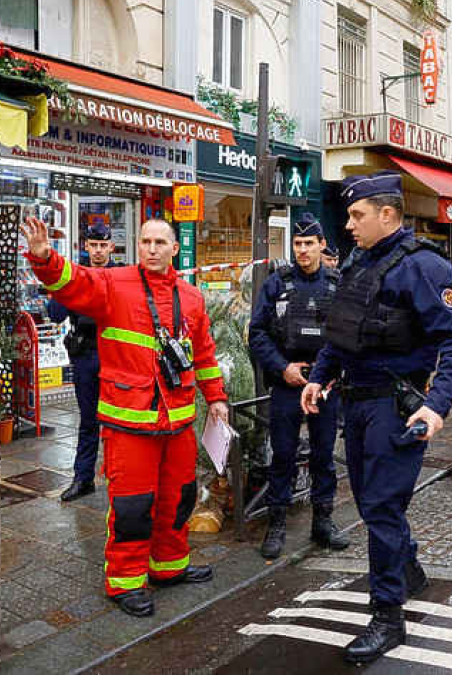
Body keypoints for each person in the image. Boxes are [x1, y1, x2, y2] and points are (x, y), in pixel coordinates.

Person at [300, 171, 452, 664]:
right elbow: (342, 332)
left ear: (387, 214)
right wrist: (319, 376)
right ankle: (410, 570)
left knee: (379, 509)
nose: (349, 225)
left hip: (394, 408)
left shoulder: (420, 267)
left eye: (357, 216)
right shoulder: (361, 260)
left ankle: (387, 617)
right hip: (355, 405)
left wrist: (436, 404)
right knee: (373, 503)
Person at [21, 216, 229, 619]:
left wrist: (216, 398)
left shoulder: (191, 297)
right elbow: (73, 282)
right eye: (145, 241)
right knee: (132, 509)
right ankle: (125, 580)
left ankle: (168, 567)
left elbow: (203, 354)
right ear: (138, 246)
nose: (151, 249)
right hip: (128, 423)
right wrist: (44, 257)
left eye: (159, 242)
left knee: (178, 500)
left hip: (179, 422)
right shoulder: (113, 284)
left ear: (174, 249)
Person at [248, 212, 348, 560]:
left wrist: (329, 374)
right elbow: (257, 334)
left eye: (309, 243)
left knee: (323, 456)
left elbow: (349, 336)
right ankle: (276, 525)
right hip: (288, 384)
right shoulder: (277, 282)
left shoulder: (338, 284)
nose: (302, 250)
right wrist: (283, 367)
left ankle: (323, 522)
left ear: (322, 245)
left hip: (324, 387)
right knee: (283, 456)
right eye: (297, 243)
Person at [46, 220, 115, 502]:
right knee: (88, 420)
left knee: (117, 422)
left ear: (111, 246)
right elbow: (55, 313)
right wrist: (69, 286)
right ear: (85, 246)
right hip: (86, 353)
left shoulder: (122, 275)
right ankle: (83, 478)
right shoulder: (76, 275)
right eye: (93, 246)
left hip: (115, 355)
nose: (98, 251)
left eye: (103, 245)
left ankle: (119, 479)